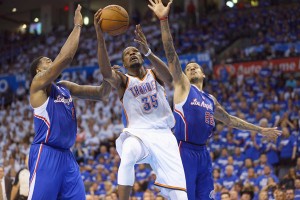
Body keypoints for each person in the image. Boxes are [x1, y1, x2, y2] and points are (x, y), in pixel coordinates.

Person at [148, 0, 282, 199]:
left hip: (203, 153)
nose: (192, 68)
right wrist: (163, 20)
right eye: (188, 68)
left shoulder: (210, 99)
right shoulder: (184, 86)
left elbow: (230, 120)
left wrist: (260, 130)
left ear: (204, 75)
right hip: (183, 149)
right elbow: (171, 53)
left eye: (196, 67)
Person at [94, 8, 187, 200]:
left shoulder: (155, 73)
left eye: (135, 51)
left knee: (180, 196)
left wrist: (149, 52)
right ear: (124, 63)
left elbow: (170, 79)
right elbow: (105, 72)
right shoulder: (123, 80)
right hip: (139, 134)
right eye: (128, 54)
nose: (133, 54)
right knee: (127, 153)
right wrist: (100, 36)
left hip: (164, 135)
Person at [28, 5, 111, 200]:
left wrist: (110, 78)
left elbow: (101, 94)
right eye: (47, 61)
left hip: (67, 157)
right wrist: (77, 26)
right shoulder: (38, 85)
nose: (51, 61)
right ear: (39, 71)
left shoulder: (64, 86)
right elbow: (65, 58)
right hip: (46, 153)